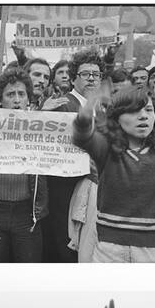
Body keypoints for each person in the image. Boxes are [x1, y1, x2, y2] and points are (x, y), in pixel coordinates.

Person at [73, 86, 155, 262]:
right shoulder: (107, 148)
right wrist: (85, 117)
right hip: (110, 251)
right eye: (134, 111)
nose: (143, 116)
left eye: (149, 110)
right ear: (117, 118)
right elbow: (82, 137)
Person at [0, 67, 48, 262]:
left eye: (21, 94)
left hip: (27, 213)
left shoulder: (44, 128)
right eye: (10, 94)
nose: (16, 100)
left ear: (28, 99)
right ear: (0, 100)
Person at [46, 50, 105, 263]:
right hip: (65, 187)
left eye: (96, 74)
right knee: (67, 246)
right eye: (86, 73)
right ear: (73, 78)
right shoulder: (61, 104)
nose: (91, 78)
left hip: (94, 187)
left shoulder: (103, 109)